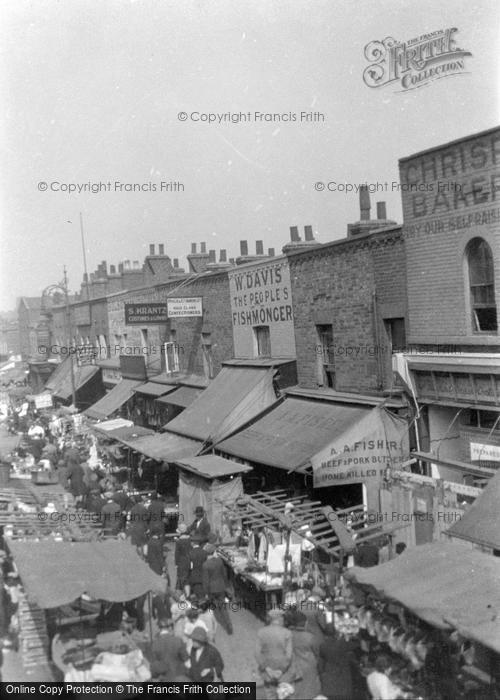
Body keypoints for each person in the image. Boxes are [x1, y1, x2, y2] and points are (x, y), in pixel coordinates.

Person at [255, 609, 294, 700]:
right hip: (284, 673)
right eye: (283, 618)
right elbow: (289, 655)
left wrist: (268, 669)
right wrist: (281, 670)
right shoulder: (287, 633)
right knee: (284, 696)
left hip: (267, 673)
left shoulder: (261, 632)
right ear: (279, 618)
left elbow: (257, 653)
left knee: (270, 695)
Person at [286, 609, 321, 699]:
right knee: (310, 692)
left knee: (296, 692)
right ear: (305, 623)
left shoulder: (288, 635)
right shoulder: (310, 637)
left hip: (294, 667)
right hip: (309, 667)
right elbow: (317, 652)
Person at [201, 544, 233, 635]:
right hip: (221, 586)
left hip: (211, 589)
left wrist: (206, 592)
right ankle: (228, 624)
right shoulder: (219, 561)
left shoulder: (205, 565)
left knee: (213, 608)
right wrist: (226, 586)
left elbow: (206, 580)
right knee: (223, 607)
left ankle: (215, 624)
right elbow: (224, 574)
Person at [318, 625, 355, 700]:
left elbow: (320, 664)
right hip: (343, 677)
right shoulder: (343, 643)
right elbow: (354, 646)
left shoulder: (323, 646)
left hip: (329, 678)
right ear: (335, 633)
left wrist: (321, 675)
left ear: (325, 634)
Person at [175, 523, 192, 595]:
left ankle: (185, 595)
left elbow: (177, 554)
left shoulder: (179, 542)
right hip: (190, 561)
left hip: (182, 562)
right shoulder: (190, 539)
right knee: (188, 577)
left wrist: (176, 563)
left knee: (182, 578)